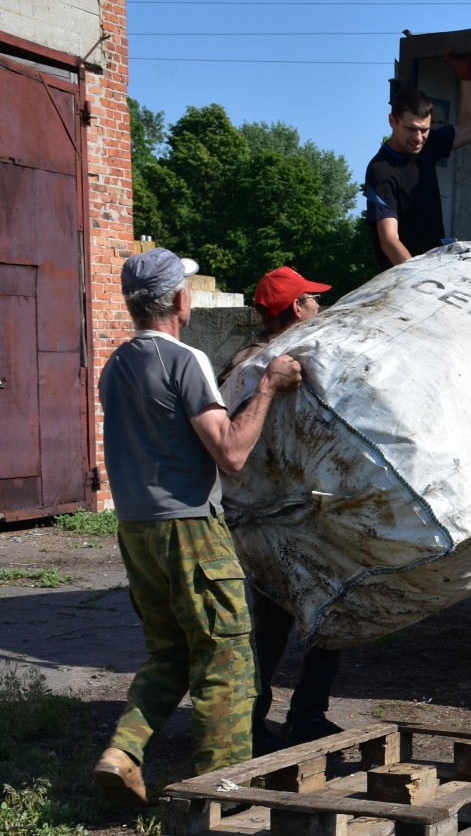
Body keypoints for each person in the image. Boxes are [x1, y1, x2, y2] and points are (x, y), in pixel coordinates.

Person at [93, 248, 303, 806]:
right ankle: (222, 797)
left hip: (136, 531)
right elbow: (231, 452)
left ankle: (123, 753)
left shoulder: (113, 366)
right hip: (189, 530)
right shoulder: (183, 360)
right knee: (226, 657)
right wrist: (268, 388)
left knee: (171, 653)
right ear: (180, 301)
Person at [219, 265, 344, 756]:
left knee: (313, 619)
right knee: (280, 623)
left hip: (282, 514)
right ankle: (270, 721)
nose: (320, 307)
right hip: (278, 519)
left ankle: (299, 717)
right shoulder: (269, 366)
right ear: (296, 309)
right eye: (313, 300)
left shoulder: (241, 363)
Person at [364, 51, 471, 269]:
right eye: (411, 129)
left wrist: (465, 75)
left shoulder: (427, 146)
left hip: (436, 268)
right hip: (402, 277)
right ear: (392, 121)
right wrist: (418, 276)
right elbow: (389, 241)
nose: (418, 138)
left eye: (424, 130)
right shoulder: (381, 170)